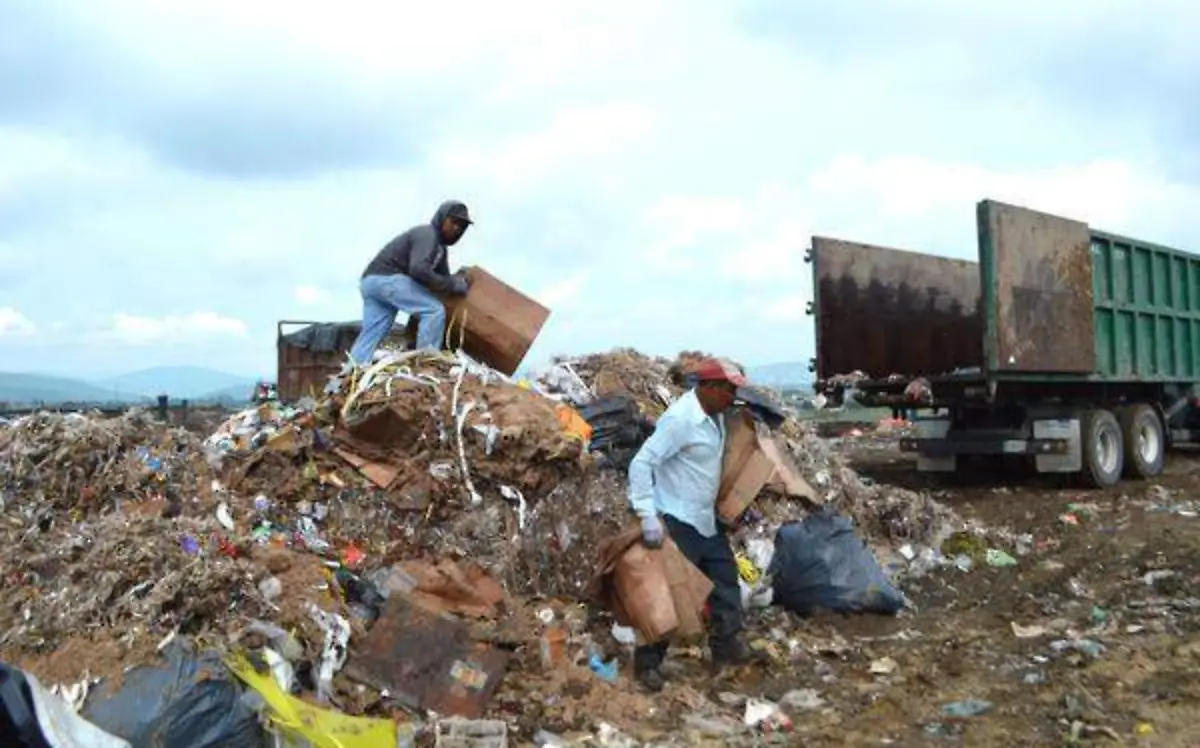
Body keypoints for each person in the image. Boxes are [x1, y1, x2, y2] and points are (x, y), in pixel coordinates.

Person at [627, 358, 765, 692]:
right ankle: (648, 664)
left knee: (725, 585)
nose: (732, 397)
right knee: (673, 594)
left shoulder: (716, 416)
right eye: (728, 390)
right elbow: (641, 463)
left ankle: (727, 649)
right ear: (708, 387)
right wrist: (646, 514)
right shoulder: (680, 419)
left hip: (705, 520)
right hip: (678, 520)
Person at [348, 200, 474, 365]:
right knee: (433, 311)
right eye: (454, 222)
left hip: (371, 282)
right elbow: (419, 269)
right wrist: (453, 284)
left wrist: (454, 282)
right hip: (389, 278)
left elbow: (441, 279)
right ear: (441, 218)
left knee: (373, 332)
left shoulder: (440, 249)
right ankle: (427, 364)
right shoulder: (427, 234)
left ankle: (352, 371)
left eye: (462, 226)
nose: (457, 228)